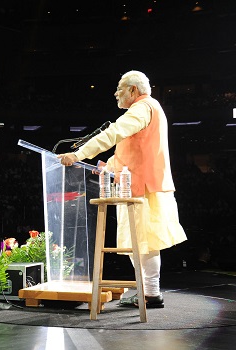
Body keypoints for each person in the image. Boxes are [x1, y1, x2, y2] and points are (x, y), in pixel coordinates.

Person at [57, 70, 188, 308]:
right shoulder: (148, 108)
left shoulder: (141, 108)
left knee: (143, 243)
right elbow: (131, 151)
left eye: (120, 88)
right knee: (140, 243)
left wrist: (78, 154)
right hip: (138, 185)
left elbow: (113, 133)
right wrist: (108, 167)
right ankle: (149, 292)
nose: (116, 92)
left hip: (143, 188)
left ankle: (151, 293)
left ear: (133, 90)